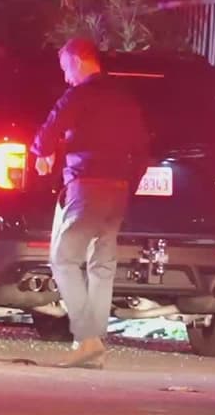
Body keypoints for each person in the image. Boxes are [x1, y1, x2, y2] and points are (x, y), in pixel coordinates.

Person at [32, 38, 151, 369]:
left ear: (78, 61)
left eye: (66, 69)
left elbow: (47, 132)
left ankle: (88, 340)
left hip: (87, 188)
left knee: (63, 258)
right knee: (102, 266)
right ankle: (94, 345)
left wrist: (42, 154)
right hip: (117, 192)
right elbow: (143, 150)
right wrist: (130, 184)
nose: (66, 77)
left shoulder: (80, 94)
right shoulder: (124, 100)